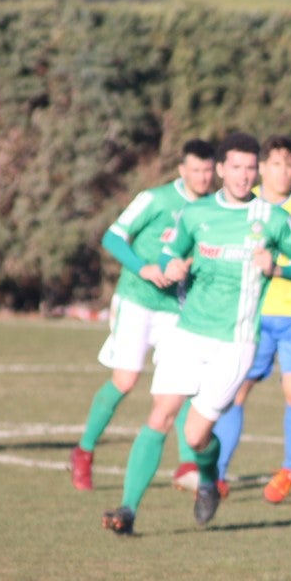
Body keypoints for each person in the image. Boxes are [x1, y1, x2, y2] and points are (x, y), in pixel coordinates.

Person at [101, 132, 291, 535]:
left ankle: (209, 481)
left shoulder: (272, 218)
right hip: (188, 333)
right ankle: (127, 510)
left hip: (235, 343)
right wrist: (172, 266)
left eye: (250, 168)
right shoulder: (197, 214)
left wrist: (278, 268)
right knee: (160, 415)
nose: (243, 175)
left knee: (196, 434)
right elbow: (169, 253)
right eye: (235, 167)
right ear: (220, 169)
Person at [176, 135, 291, 503]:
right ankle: (218, 475)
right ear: (261, 168)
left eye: (290, 164)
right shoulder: (240, 203)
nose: (282, 171)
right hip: (252, 315)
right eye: (274, 164)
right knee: (234, 394)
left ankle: (288, 469)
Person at [69, 138, 216, 490]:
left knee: (179, 386)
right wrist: (145, 268)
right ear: (182, 170)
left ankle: (186, 467)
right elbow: (114, 236)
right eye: (196, 170)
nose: (202, 177)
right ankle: (84, 451)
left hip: (177, 309)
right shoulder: (156, 199)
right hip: (136, 300)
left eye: (208, 170)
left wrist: (189, 265)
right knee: (125, 380)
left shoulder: (215, 210)